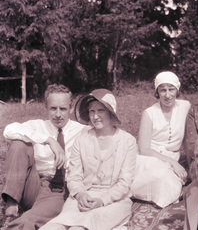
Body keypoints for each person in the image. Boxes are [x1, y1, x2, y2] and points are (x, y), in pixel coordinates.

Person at [40, 89, 137, 230]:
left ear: (111, 113)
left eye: (101, 110)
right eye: (92, 111)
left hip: (114, 201)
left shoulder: (128, 141)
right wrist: (80, 195)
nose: (95, 116)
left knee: (79, 228)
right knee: (54, 227)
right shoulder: (81, 139)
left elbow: (125, 182)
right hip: (82, 197)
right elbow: (73, 176)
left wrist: (102, 200)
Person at [2, 84, 87, 229]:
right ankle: (11, 203)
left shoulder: (83, 131)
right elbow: (9, 130)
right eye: (53, 108)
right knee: (19, 143)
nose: (58, 114)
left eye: (63, 109)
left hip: (56, 189)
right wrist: (49, 140)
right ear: (46, 107)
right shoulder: (37, 126)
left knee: (28, 220)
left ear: (71, 108)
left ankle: (16, 223)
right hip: (31, 185)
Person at [130, 71, 191, 208]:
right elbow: (144, 149)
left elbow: (190, 137)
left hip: (171, 157)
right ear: (157, 92)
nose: (167, 95)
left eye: (171, 89)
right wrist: (172, 163)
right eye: (163, 90)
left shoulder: (185, 107)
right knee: (158, 175)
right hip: (149, 157)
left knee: (167, 179)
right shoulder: (149, 113)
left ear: (177, 90)